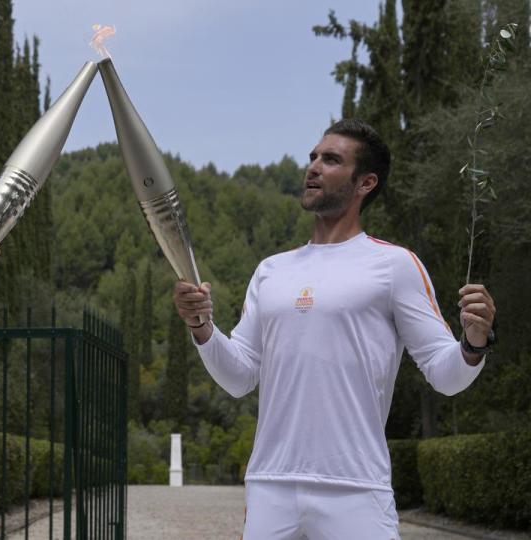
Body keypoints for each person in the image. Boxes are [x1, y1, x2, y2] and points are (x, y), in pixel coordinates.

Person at [173, 119, 496, 539]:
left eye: (331, 160)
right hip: (271, 486)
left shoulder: (395, 265)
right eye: (313, 157)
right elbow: (239, 377)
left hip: (357, 490)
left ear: (365, 182)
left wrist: (474, 341)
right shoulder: (271, 271)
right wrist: (202, 327)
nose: (313, 167)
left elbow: (445, 374)